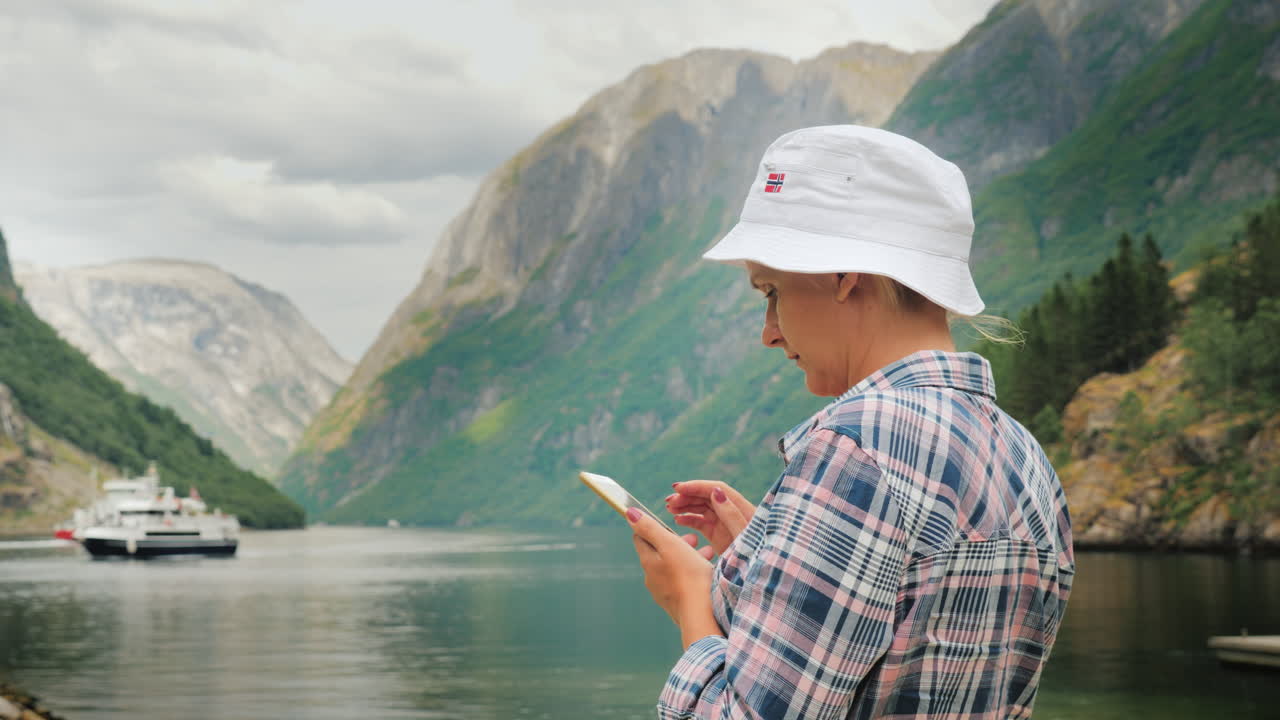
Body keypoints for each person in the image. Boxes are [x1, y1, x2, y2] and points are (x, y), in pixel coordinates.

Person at [625, 125, 1075, 719]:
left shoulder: (855, 450)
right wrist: (774, 561)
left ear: (843, 276)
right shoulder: (1024, 456)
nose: (769, 331)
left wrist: (690, 603)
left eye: (771, 292)